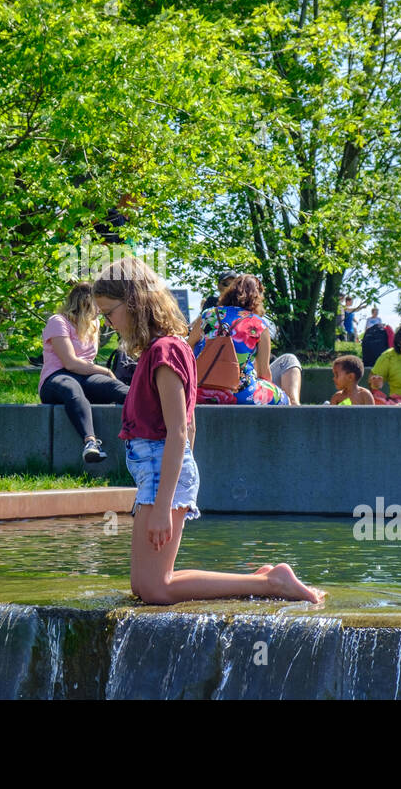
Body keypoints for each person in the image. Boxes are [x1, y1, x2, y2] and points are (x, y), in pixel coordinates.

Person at [92, 256, 322, 605]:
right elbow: (191, 425)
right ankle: (262, 578)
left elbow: (178, 433)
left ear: (135, 303)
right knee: (143, 586)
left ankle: (272, 583)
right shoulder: (165, 349)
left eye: (109, 312)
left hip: (161, 476)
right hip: (156, 475)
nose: (107, 322)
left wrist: (164, 501)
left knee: (156, 589)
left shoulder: (165, 351)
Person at [39, 282, 129, 463]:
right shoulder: (58, 321)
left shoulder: (93, 323)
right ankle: (90, 443)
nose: (101, 310)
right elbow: (70, 363)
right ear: (85, 303)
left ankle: (158, 415)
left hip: (85, 377)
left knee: (115, 387)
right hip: (56, 378)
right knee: (72, 389)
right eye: (98, 304)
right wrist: (105, 370)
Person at [188, 274, 288, 405]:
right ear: (257, 298)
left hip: (201, 390)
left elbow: (188, 347)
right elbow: (264, 373)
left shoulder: (208, 314)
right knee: (283, 398)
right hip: (241, 393)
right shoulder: (259, 324)